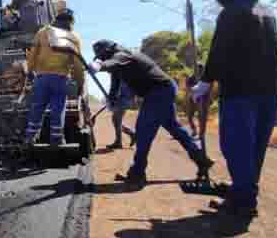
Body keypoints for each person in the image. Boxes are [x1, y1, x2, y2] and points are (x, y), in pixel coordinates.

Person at [192, 0, 277, 218]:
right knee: (255, 147)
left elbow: (220, 49)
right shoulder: (267, 11)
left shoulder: (231, 12)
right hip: (270, 89)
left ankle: (242, 201)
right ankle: (245, 190)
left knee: (235, 145)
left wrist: (205, 82)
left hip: (241, 89)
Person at [89, 41, 213, 188]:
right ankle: (201, 159)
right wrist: (112, 98)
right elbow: (115, 84)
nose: (101, 59)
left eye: (102, 57)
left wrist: (99, 65)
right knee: (174, 128)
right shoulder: (118, 66)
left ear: (107, 52)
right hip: (162, 90)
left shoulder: (123, 55)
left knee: (143, 131)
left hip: (159, 91)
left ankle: (137, 173)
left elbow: (113, 62)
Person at [25, 8, 85, 146]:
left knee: (37, 107)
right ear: (71, 22)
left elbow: (33, 53)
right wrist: (79, 83)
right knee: (57, 109)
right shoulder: (73, 37)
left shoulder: (43, 32)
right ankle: (56, 139)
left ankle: (30, 137)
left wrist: (29, 71)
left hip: (41, 78)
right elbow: (77, 65)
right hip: (61, 79)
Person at [107, 77, 137, 149]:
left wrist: (114, 98)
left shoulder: (119, 72)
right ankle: (132, 134)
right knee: (115, 120)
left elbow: (118, 87)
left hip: (122, 99)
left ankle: (119, 142)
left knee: (117, 120)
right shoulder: (122, 71)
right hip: (124, 98)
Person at [184, 64, 205, 137]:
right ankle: (194, 130)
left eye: (201, 69)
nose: (199, 71)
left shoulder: (204, 78)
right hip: (192, 99)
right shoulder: (191, 78)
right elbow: (188, 88)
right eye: (198, 69)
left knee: (200, 117)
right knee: (189, 116)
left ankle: (201, 133)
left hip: (200, 99)